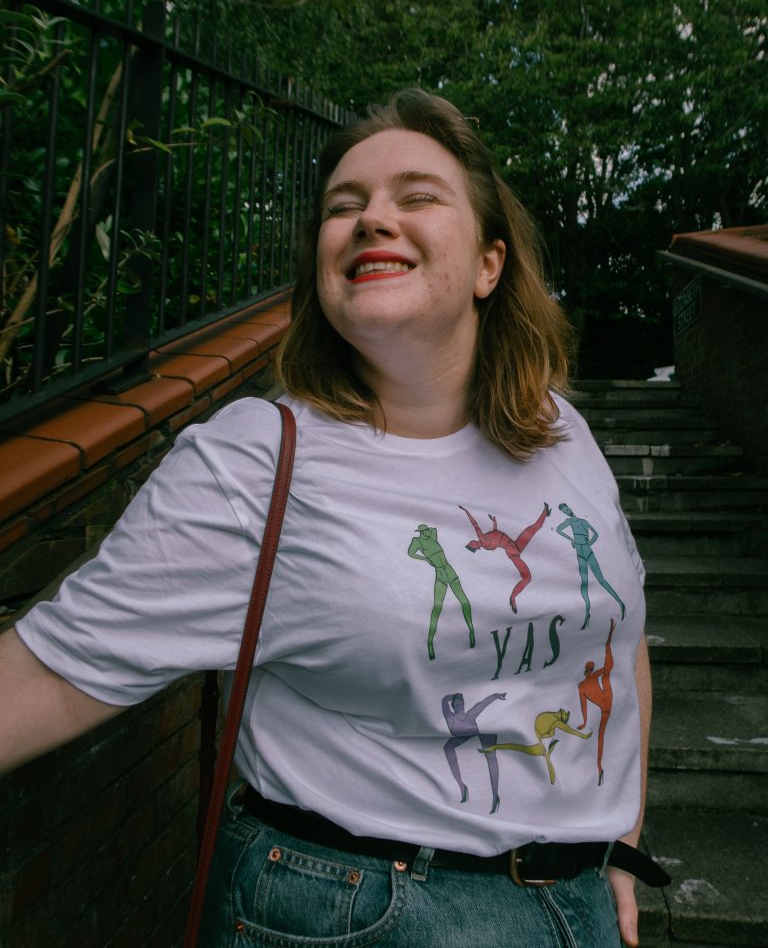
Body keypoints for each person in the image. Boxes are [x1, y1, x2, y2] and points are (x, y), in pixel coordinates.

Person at [0, 89, 658, 947]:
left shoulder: (561, 429)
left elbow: (621, 639)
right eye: (344, 207)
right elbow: (49, 673)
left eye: (416, 196)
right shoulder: (253, 461)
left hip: (577, 910)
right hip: (360, 913)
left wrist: (621, 840)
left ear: (492, 265)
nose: (371, 217)